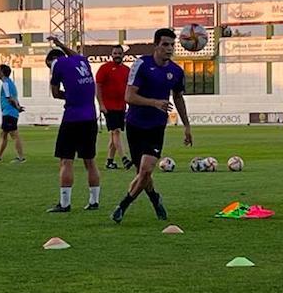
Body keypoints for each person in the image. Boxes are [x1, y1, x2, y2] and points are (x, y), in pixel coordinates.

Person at [111, 28, 192, 224]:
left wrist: (187, 126)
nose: (169, 49)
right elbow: (129, 96)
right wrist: (155, 103)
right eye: (165, 44)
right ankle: (155, 198)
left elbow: (178, 98)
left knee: (146, 170)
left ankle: (123, 205)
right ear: (156, 45)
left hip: (156, 126)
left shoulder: (176, 71)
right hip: (135, 125)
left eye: (172, 45)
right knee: (142, 174)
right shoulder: (142, 65)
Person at [44, 36, 101, 212]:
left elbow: (54, 93)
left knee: (66, 160)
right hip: (91, 117)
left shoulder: (57, 64)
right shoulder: (82, 61)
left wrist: (67, 95)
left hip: (72, 118)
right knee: (90, 161)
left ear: (51, 61)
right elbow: (73, 54)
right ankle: (94, 201)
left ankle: (65, 203)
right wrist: (61, 44)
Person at [94, 44, 133, 170]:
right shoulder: (104, 68)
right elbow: (98, 87)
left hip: (121, 106)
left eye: (119, 53)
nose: (117, 56)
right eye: (115, 53)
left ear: (123, 55)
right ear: (112, 55)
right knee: (116, 131)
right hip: (108, 106)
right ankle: (124, 158)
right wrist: (101, 104)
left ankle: (109, 161)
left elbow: (129, 88)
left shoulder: (127, 70)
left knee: (114, 134)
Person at [0, 64, 26, 163]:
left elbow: (10, 98)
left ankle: (20, 158)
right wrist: (18, 107)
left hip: (9, 112)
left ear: (2, 73)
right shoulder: (10, 83)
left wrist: (17, 107)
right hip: (9, 112)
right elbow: (14, 97)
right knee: (3, 134)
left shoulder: (5, 84)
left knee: (14, 135)